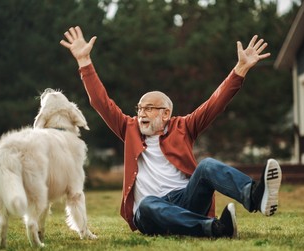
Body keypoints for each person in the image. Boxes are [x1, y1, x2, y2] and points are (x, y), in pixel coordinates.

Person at [60, 26, 282, 238]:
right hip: (151, 213)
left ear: (165, 114)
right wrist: (84, 61)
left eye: (148, 108)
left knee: (206, 166)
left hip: (186, 200)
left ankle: (255, 196)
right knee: (148, 204)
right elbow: (101, 102)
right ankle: (215, 228)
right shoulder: (128, 128)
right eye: (139, 108)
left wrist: (240, 69)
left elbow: (215, 103)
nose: (141, 113)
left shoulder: (184, 127)